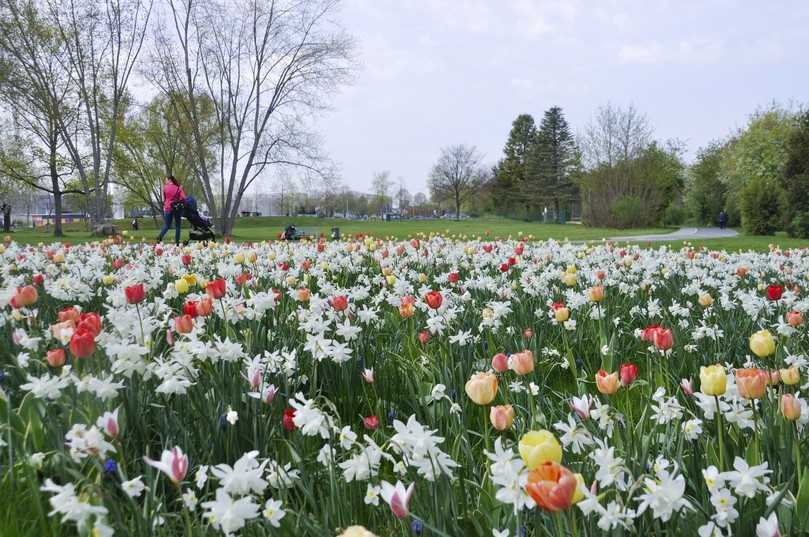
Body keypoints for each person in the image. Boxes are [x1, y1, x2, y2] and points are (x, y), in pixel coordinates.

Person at [156, 175, 186, 245]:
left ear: (170, 180)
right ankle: (177, 242)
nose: (165, 181)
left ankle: (159, 238)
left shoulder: (165, 188)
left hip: (168, 207)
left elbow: (165, 198)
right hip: (176, 208)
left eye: (166, 180)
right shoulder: (178, 188)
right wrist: (179, 193)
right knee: (178, 226)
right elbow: (183, 198)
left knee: (167, 225)